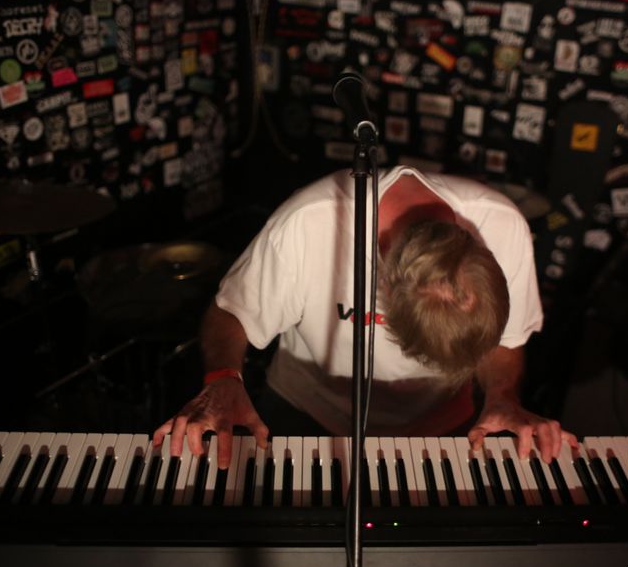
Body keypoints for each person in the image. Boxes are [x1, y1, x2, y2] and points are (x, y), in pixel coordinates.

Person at [154, 165, 578, 469]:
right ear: (384, 291)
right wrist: (223, 378)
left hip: (445, 425)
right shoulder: (309, 222)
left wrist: (502, 396)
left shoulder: (502, 226)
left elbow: (506, 341)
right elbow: (231, 312)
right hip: (309, 416)